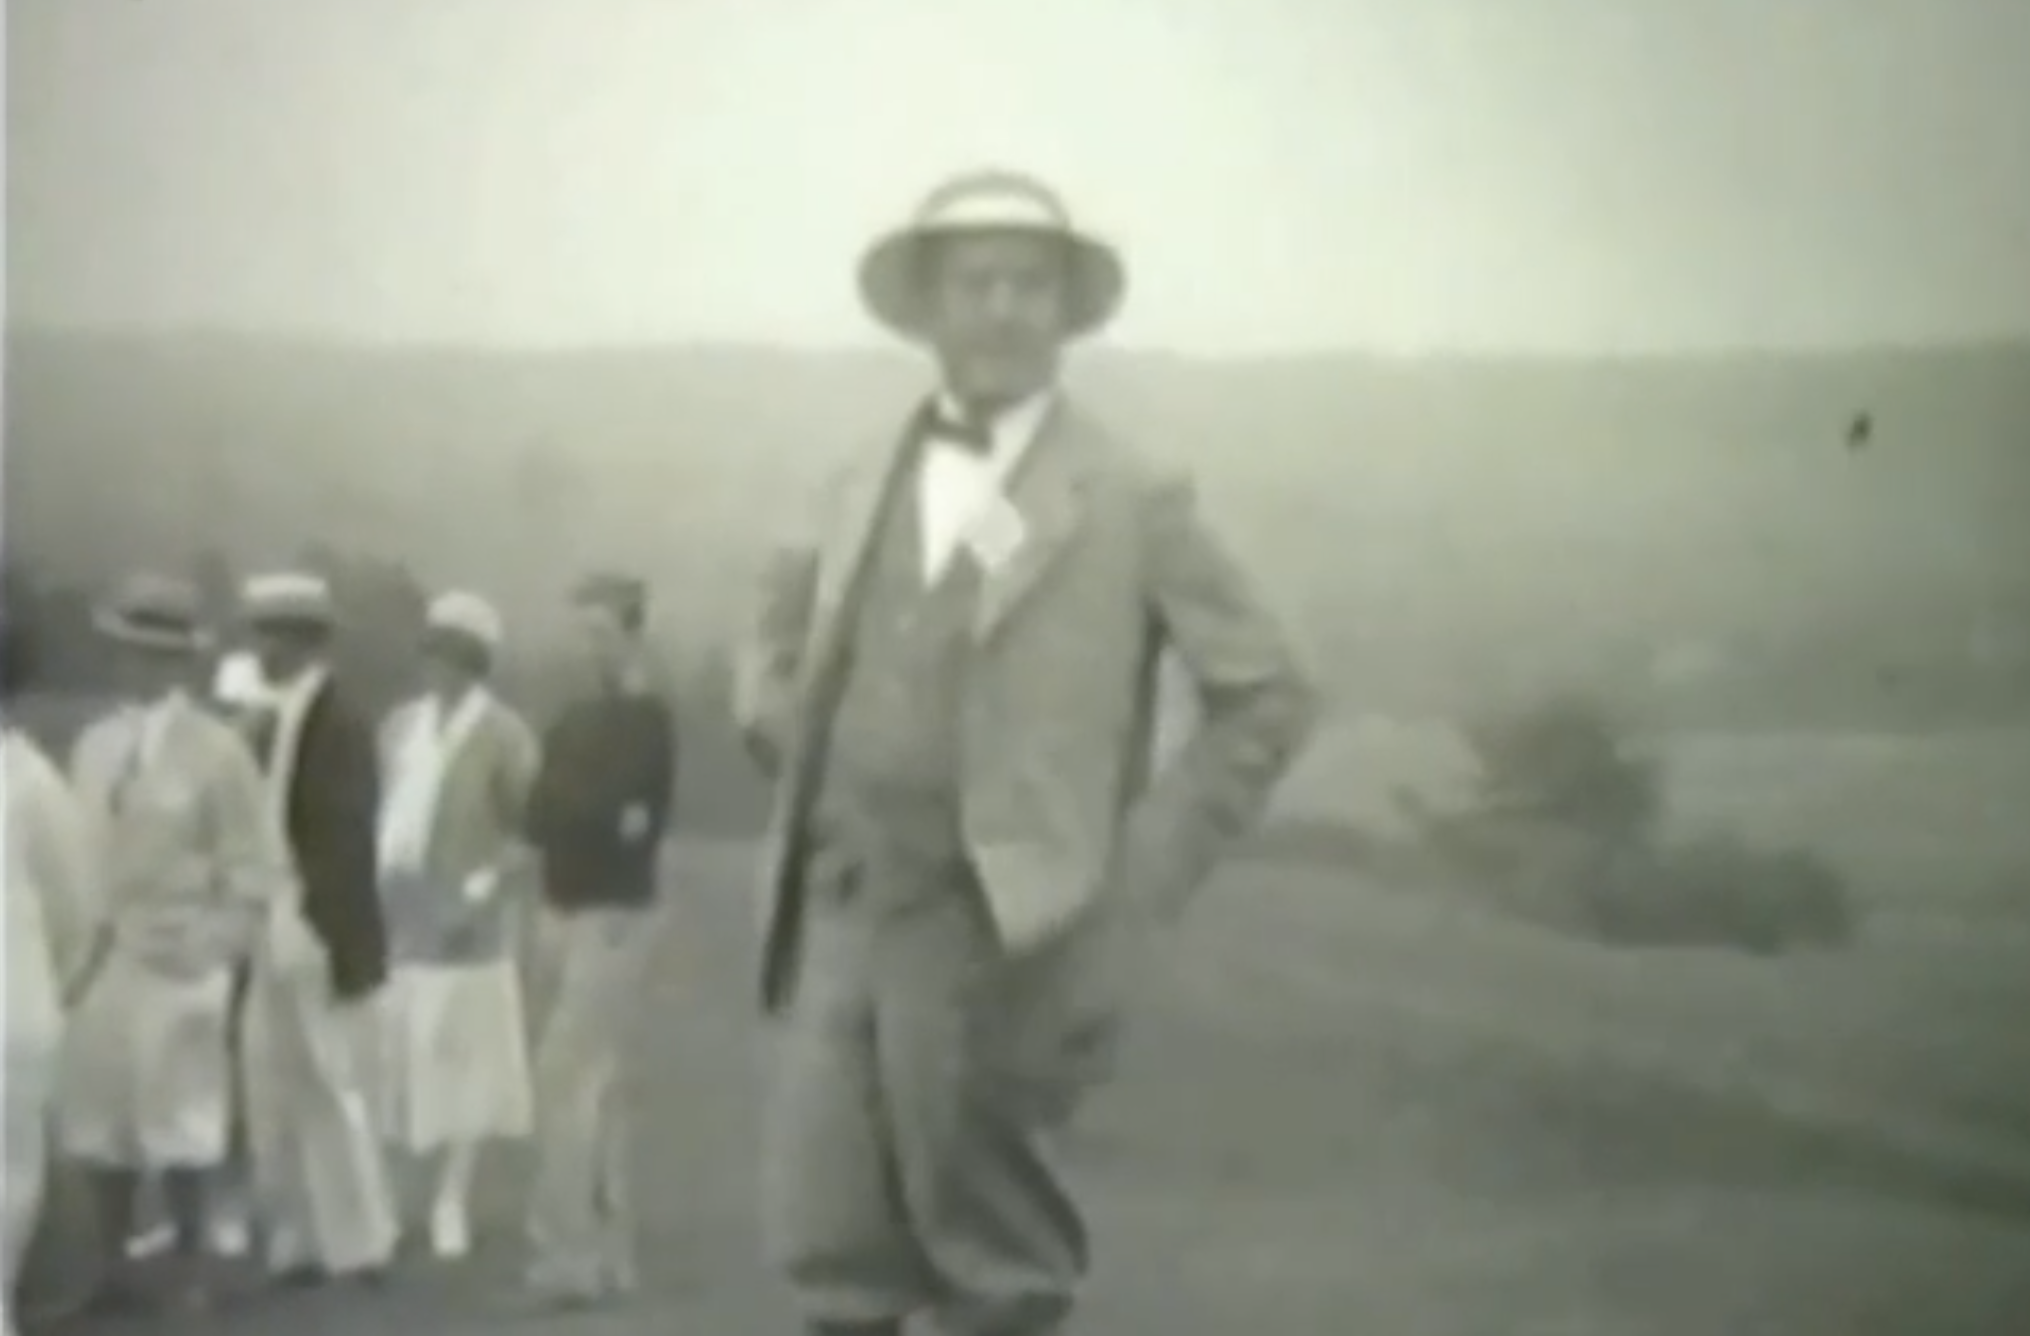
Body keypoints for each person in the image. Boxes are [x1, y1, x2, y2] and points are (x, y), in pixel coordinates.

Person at [732, 170, 1319, 1336]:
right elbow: (778, 622)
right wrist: (776, 712)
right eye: (974, 284)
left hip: (999, 932)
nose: (1000, 310)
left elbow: (1267, 694)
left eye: (1028, 285)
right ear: (927, 307)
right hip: (843, 907)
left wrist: (1130, 878)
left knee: (995, 1259)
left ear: (1064, 311)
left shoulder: (1130, 494)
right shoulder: (862, 472)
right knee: (830, 1244)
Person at [57, 573, 289, 1313]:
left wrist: (215, 949)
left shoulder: (217, 752)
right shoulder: (95, 745)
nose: (129, 665)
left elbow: (254, 869)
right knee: (101, 1116)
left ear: (177, 661)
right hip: (103, 958)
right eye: (122, 649)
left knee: (183, 1115)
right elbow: (77, 849)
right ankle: (111, 1267)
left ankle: (191, 1271)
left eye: (147, 652)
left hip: (180, 958)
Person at [516, 572, 678, 1311]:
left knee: (568, 1081)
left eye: (602, 634)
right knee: (597, 1088)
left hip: (613, 916)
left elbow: (622, 816)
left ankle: (568, 1258)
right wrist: (583, 810)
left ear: (631, 635)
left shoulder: (648, 722)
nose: (590, 648)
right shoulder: (573, 718)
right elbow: (539, 813)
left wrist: (577, 807)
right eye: (583, 634)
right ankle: (610, 1255)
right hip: (560, 908)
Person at [234, 572, 400, 1287]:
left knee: (332, 1082)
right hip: (271, 909)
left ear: (302, 640)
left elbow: (346, 835)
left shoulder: (340, 722)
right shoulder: (270, 717)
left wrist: (318, 926)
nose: (260, 648)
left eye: (271, 635)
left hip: (315, 917)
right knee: (275, 1084)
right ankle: (297, 1236)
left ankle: (362, 1241)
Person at [373, 590, 541, 1260]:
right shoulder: (400, 727)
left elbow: (527, 835)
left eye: (454, 657)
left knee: (465, 1066)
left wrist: (479, 895)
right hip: (398, 918)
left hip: (468, 925)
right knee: (394, 1064)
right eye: (432, 654)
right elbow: (380, 814)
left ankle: (451, 1198)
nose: (438, 668)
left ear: (476, 665)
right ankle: (391, 1200)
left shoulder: (505, 736)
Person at [4, 605, 105, 1334]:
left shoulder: (29, 779)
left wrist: (55, 986)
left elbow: (78, 906)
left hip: (12, 1010)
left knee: (9, 1172)